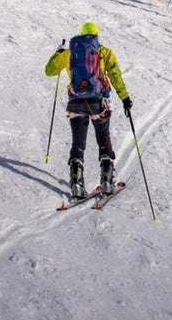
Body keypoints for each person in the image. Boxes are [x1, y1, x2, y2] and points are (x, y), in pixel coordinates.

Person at [44, 22, 133, 199]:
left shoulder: (71, 52)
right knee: (103, 138)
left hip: (75, 102)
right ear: (96, 35)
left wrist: (59, 52)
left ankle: (76, 184)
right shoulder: (104, 52)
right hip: (98, 103)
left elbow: (50, 71)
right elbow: (115, 75)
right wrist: (125, 98)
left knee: (78, 143)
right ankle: (107, 181)